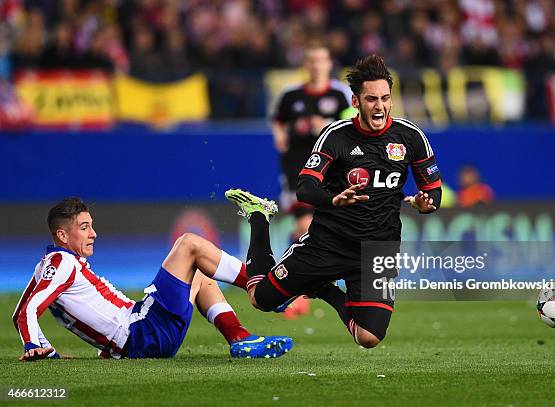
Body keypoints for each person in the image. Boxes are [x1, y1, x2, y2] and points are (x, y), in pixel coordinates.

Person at [227, 55, 442, 348]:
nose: (379, 106)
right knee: (260, 299)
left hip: (378, 249)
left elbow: (434, 190)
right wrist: (333, 199)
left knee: (369, 338)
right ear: (355, 101)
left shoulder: (410, 137)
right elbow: (305, 188)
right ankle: (259, 216)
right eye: (371, 99)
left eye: (385, 98)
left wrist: (425, 203)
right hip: (327, 244)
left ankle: (324, 291)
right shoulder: (336, 136)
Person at [12, 197, 292, 361]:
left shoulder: (47, 267)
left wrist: (45, 351)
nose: (93, 233)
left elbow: (19, 313)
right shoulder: (61, 263)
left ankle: (240, 338)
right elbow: (27, 312)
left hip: (139, 337)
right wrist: (32, 345)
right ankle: (264, 287)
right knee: (189, 244)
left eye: (91, 226)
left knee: (200, 275)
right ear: (62, 236)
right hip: (142, 333)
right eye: (84, 228)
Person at [270, 43, 352, 210]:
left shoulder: (341, 94)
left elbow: (351, 124)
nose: (316, 66)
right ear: (305, 64)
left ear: (329, 63)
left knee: (325, 218)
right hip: (296, 164)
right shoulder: (290, 95)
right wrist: (279, 135)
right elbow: (278, 119)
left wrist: (326, 125)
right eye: (312, 61)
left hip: (331, 167)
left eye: (321, 60)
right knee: (301, 221)